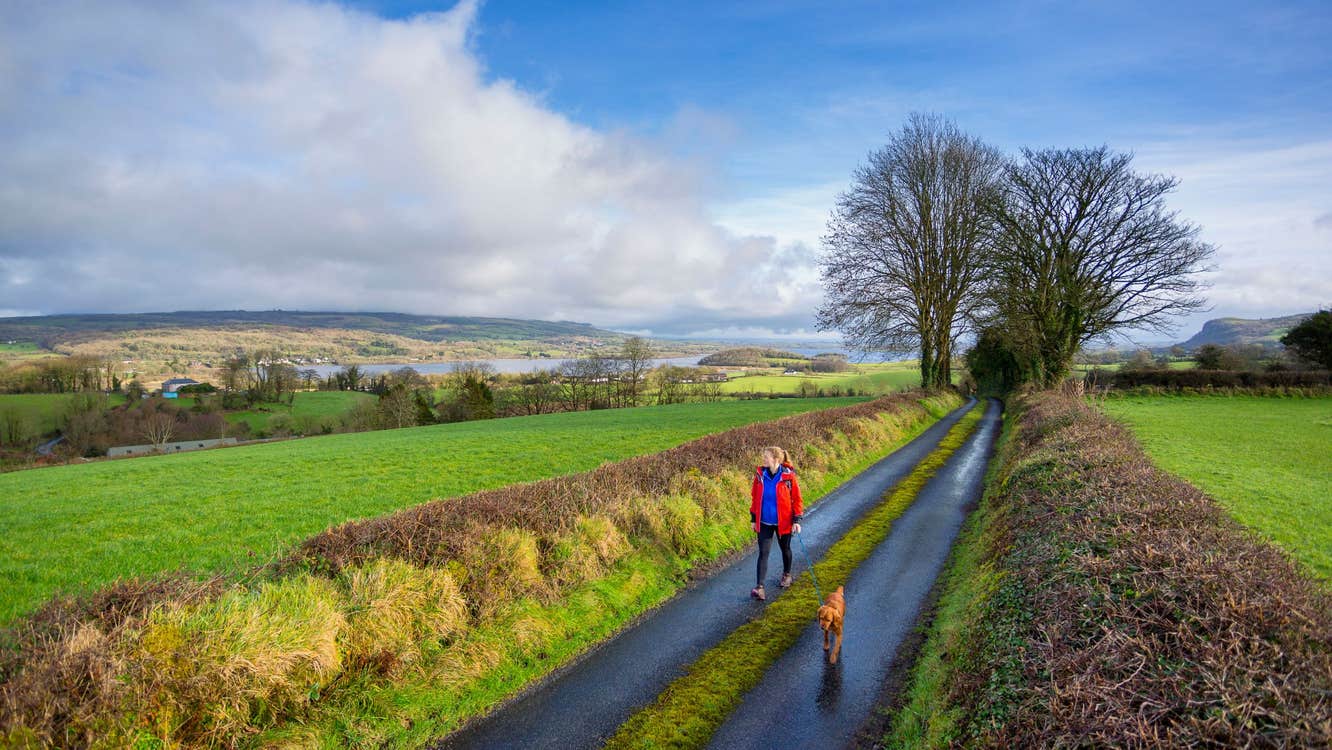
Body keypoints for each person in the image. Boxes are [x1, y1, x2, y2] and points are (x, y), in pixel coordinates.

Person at [749, 445, 803, 601]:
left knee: (785, 549)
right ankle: (759, 588)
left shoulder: (788, 477)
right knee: (763, 553)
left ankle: (786, 575)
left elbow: (797, 500)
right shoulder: (760, 476)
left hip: (783, 522)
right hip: (764, 521)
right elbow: (755, 498)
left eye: (766, 457)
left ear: (776, 459)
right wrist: (753, 519)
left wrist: (796, 520)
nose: (763, 459)